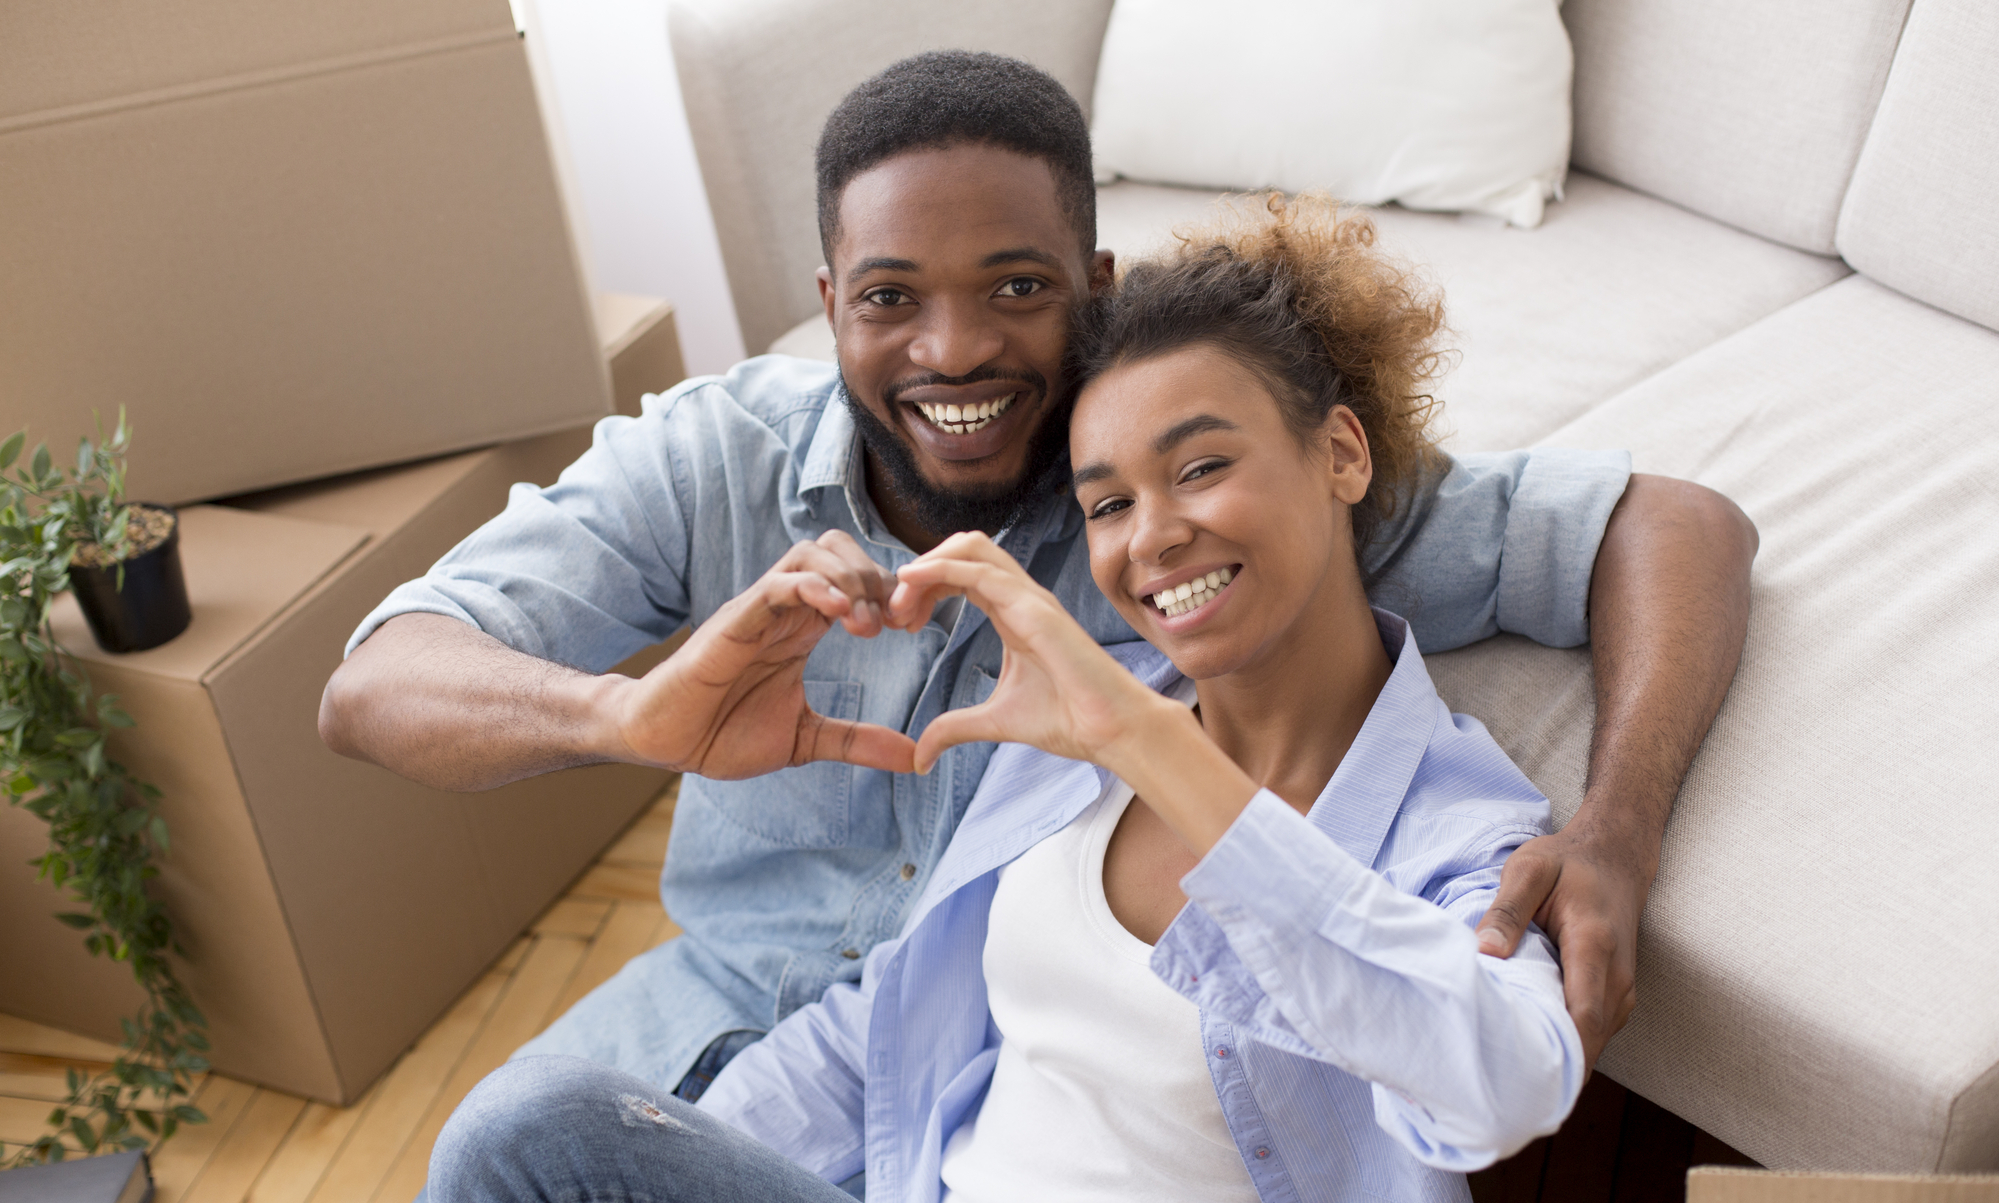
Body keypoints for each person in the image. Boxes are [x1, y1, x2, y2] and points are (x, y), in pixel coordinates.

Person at [319, 51, 1755, 1104]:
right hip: (716, 1009)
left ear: (1094, 278)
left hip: (989, 1061)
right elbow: (374, 682)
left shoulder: (1185, 517)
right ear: (829, 305)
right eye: (890, 299)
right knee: (495, 1146)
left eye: (1015, 286)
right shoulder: (714, 455)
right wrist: (620, 723)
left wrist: (1619, 830)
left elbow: (1669, 526)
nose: (952, 350)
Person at [427, 196, 1591, 1203]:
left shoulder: (1453, 823)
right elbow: (874, 1039)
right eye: (1108, 504)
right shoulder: (1073, 736)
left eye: (1199, 467)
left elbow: (1504, 1082)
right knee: (528, 1129)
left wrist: (1148, 746)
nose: (1154, 536)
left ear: (1341, 455)